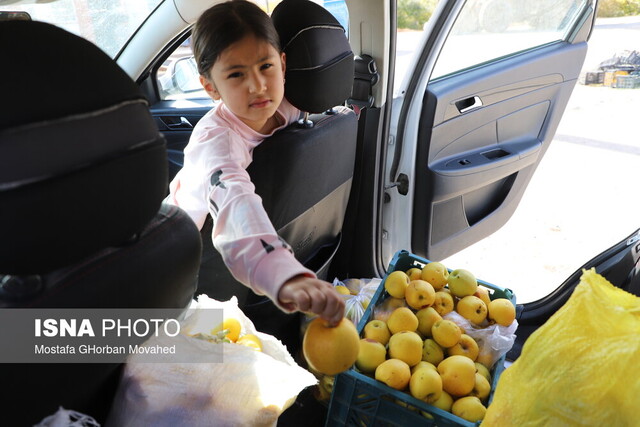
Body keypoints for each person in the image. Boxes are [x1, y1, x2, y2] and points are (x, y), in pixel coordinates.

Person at [166, 0, 345, 327]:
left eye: (266, 66)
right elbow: (236, 204)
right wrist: (284, 274)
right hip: (174, 254)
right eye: (236, 74)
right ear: (210, 87)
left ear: (283, 63)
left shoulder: (293, 107)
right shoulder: (215, 142)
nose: (258, 85)